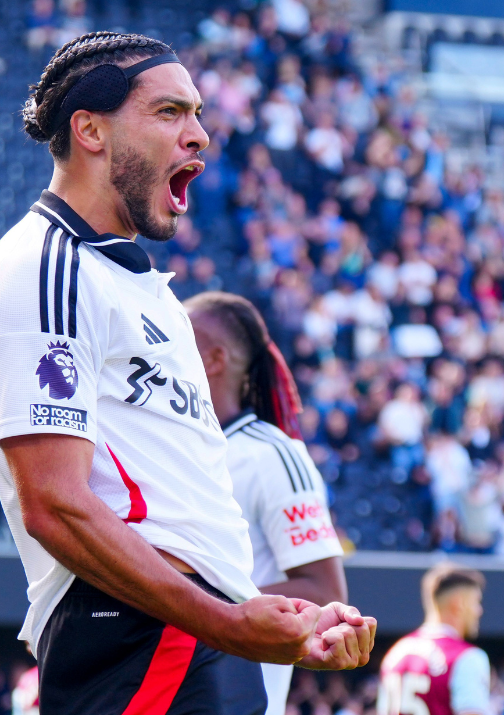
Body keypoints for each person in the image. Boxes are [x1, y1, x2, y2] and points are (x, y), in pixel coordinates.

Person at [0, 32, 373, 715]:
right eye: (170, 112)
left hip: (195, 633)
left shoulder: (150, 290)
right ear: (90, 130)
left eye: (199, 114)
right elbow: (55, 504)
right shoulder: (45, 266)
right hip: (139, 631)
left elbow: (187, 515)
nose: (199, 135)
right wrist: (222, 622)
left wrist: (273, 616)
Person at [186, 291, 349, 715]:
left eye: (178, 336)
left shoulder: (272, 455)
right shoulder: (176, 449)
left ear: (213, 360)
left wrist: (186, 605)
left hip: (235, 697)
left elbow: (324, 588)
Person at [377, 564, 492, 715]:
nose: (479, 611)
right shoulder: (467, 657)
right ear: (459, 603)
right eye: (476, 602)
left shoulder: (396, 653)